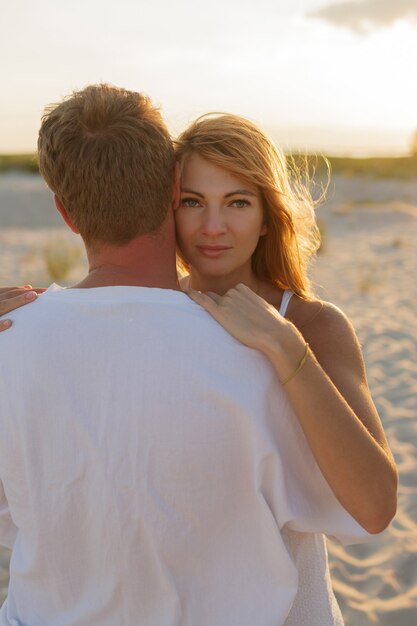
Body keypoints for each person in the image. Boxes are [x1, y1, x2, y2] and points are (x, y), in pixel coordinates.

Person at [0, 88, 396, 626]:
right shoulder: (157, 314)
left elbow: (374, 503)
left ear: (266, 214)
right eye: (193, 202)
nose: (213, 228)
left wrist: (286, 346)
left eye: (237, 202)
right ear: (168, 199)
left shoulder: (303, 328)